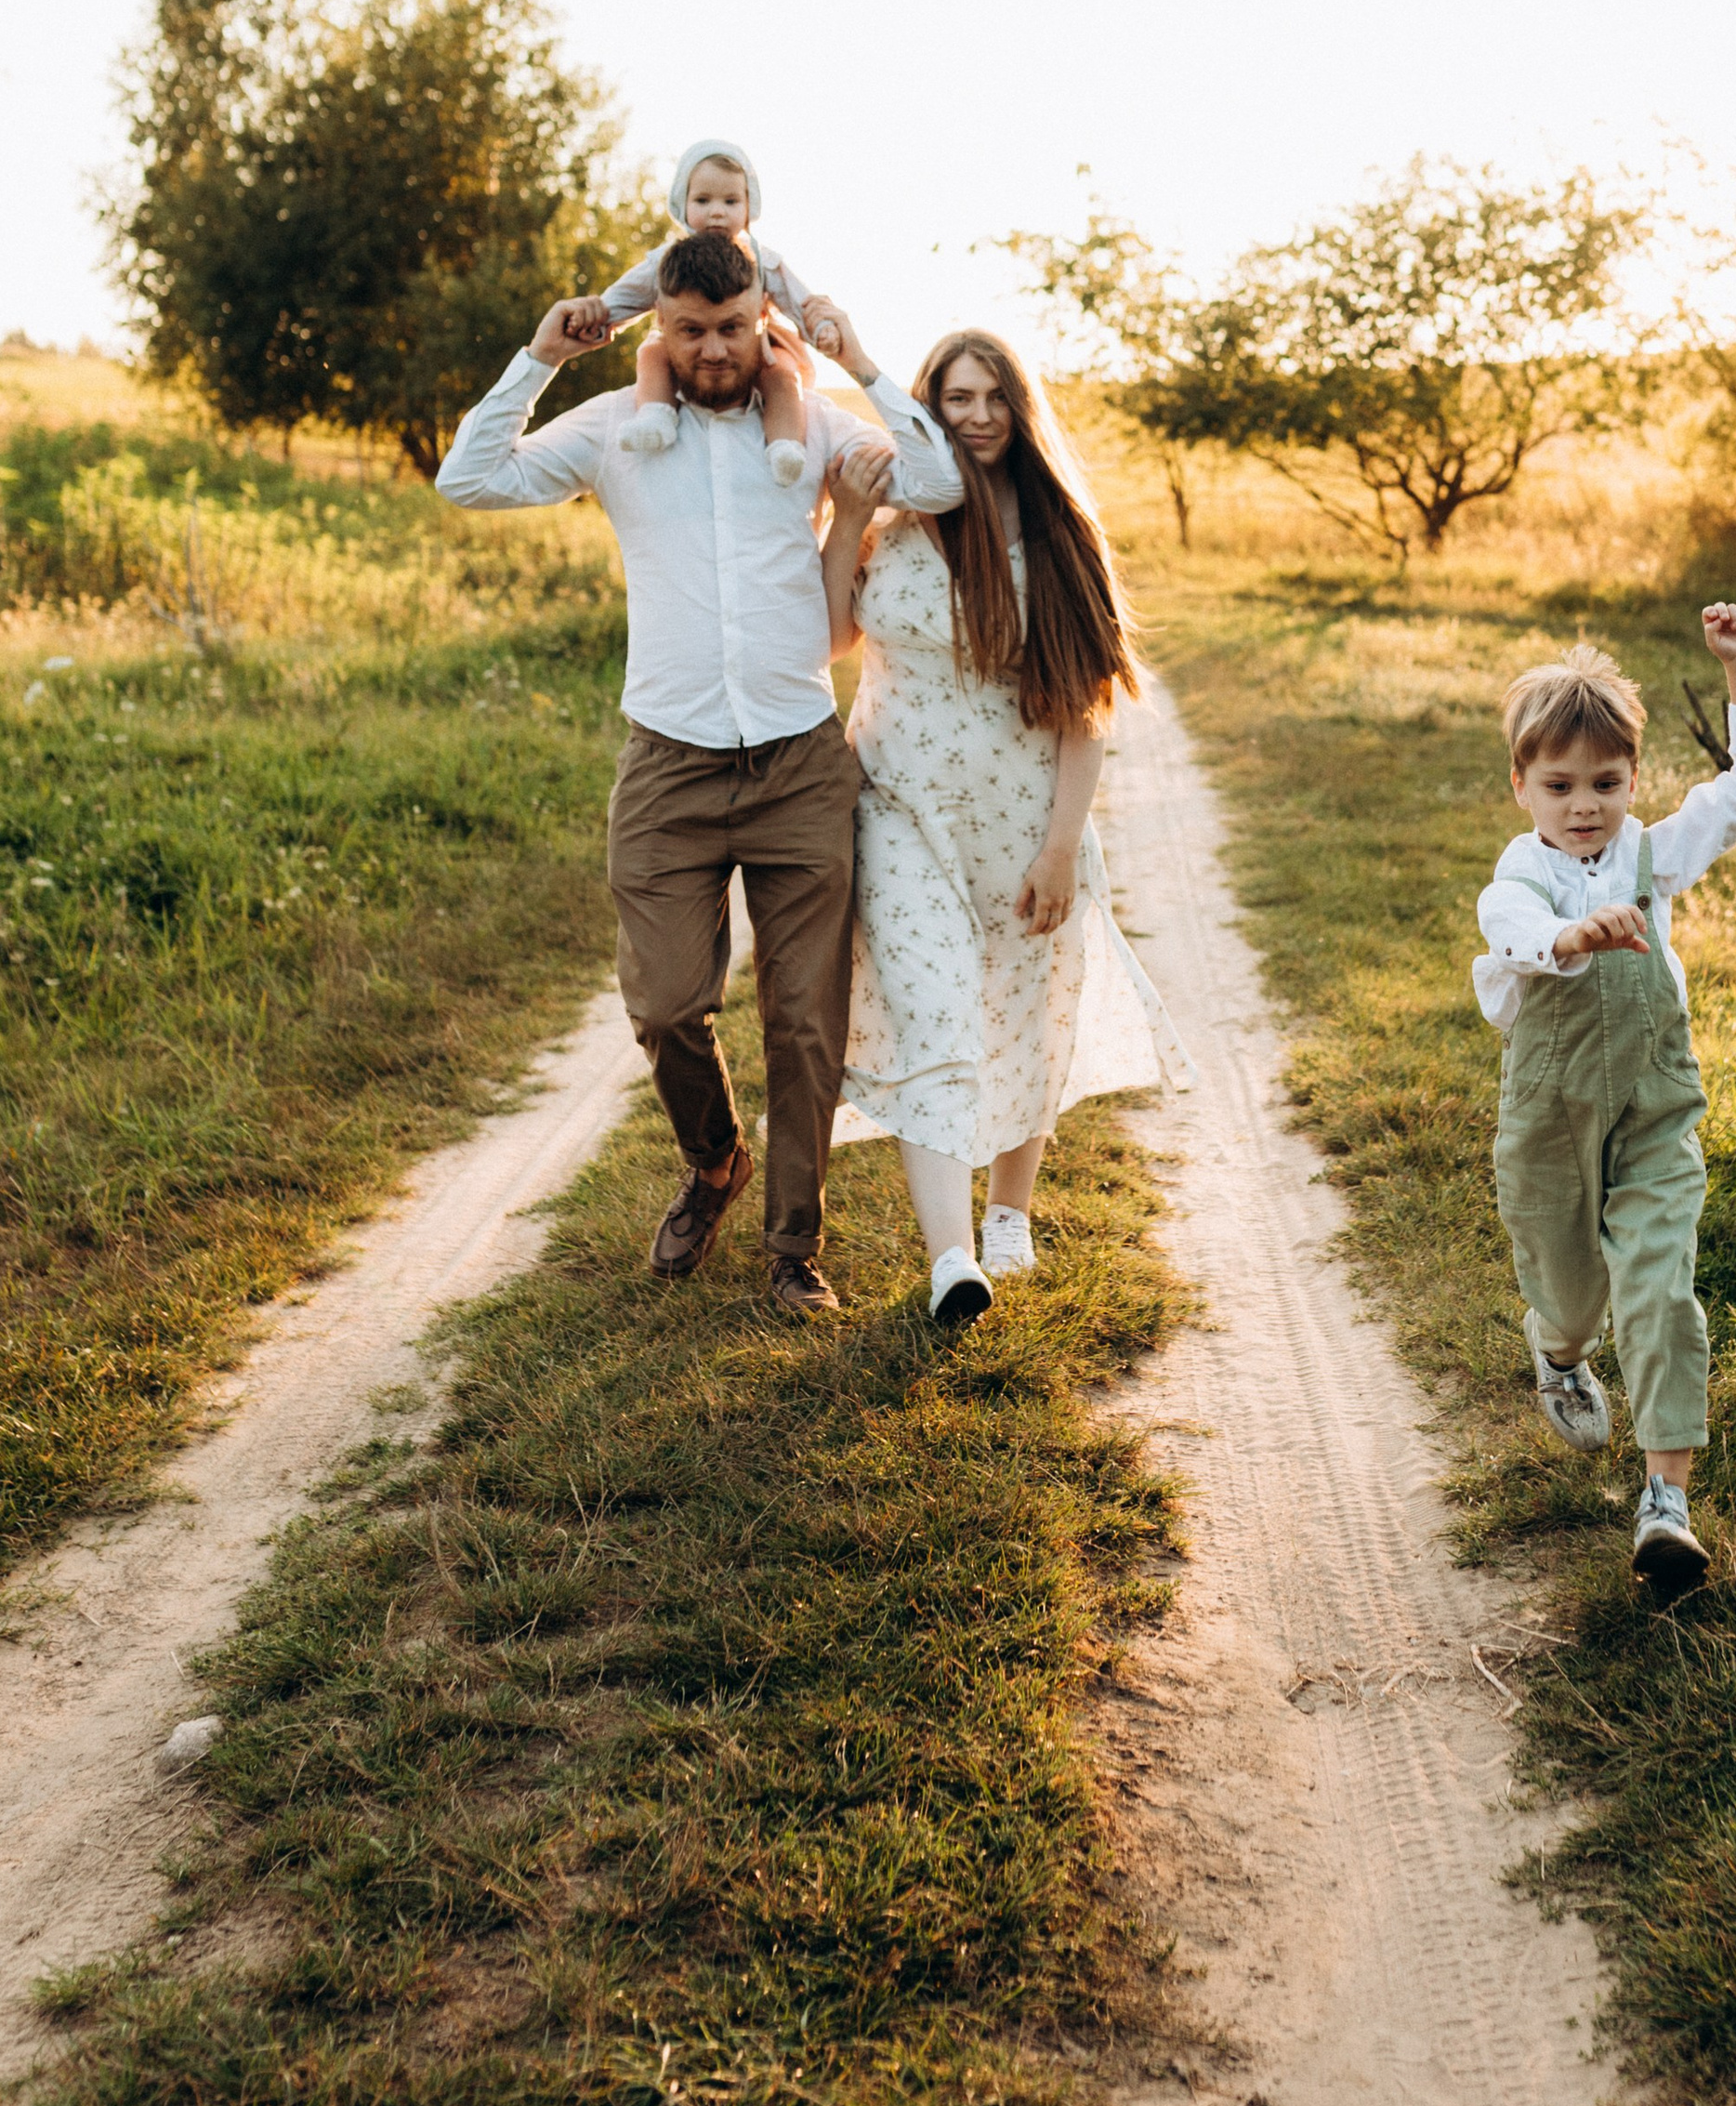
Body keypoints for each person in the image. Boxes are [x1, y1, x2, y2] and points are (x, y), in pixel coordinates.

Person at [435, 225, 961, 1311]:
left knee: (806, 1020)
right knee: (669, 1004)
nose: (711, 350)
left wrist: (860, 361)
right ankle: (715, 1157)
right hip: (668, 766)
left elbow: (941, 480)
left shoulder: (812, 428)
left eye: (730, 329)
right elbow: (469, 478)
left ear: (759, 323)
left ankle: (791, 1251)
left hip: (799, 764)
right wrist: (539, 358)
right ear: (658, 328)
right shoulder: (619, 432)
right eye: (688, 331)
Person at [819, 327, 1189, 1328]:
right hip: (895, 811)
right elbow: (828, 638)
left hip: (1026, 821)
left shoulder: (1056, 534)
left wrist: (1061, 847)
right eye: (954, 398)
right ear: (926, 409)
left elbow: (1082, 709)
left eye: (992, 398)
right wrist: (846, 514)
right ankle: (950, 1262)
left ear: (1019, 411)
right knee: (933, 1015)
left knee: (1025, 1012)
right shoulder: (894, 518)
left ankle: (1009, 1216)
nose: (974, 416)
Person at [1471, 612, 1736, 1600]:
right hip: (1552, 1116)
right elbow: (1511, 925)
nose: (1583, 808)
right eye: (1558, 787)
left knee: (1658, 1286)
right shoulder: (1522, 874)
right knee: (1569, 1292)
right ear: (1520, 787)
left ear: (1632, 781)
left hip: (1653, 1105)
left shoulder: (1654, 856)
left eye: (1605, 784)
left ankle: (1666, 1502)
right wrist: (1571, 936)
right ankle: (1560, 1353)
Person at [556, 139, 822, 480]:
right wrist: (598, 315)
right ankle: (656, 416)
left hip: (758, 342)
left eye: (730, 201)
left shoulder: (763, 261)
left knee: (784, 375)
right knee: (652, 354)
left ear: (749, 206)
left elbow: (798, 300)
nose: (717, 211)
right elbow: (627, 293)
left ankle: (785, 446)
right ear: (682, 204)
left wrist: (821, 326)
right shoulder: (667, 260)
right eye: (703, 200)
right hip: (683, 340)